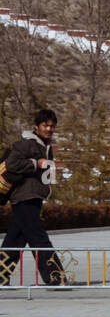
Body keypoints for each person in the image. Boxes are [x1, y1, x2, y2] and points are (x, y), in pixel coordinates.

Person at [0, 109, 67, 285]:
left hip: (35, 196)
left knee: (16, 238)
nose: (49, 129)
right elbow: (13, 164)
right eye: (45, 125)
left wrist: (49, 177)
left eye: (52, 126)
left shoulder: (46, 147)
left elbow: (46, 175)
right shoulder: (26, 144)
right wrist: (34, 163)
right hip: (23, 196)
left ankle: (0, 275)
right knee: (39, 237)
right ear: (36, 126)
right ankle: (55, 278)